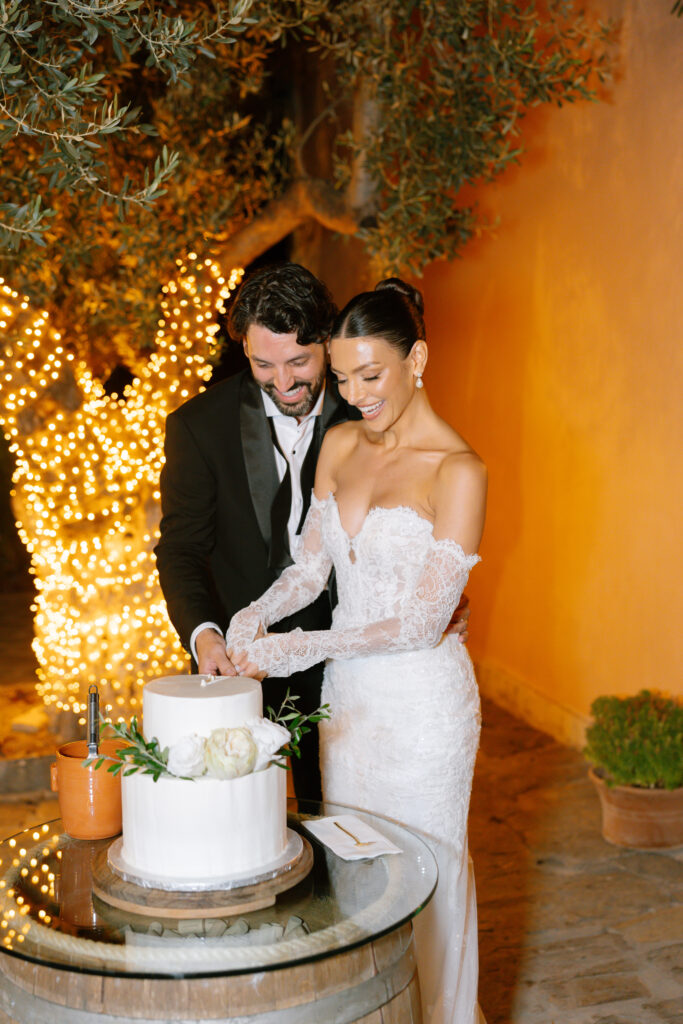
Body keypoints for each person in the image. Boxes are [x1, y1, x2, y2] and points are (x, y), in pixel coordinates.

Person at [227, 278, 487, 1024]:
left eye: (370, 375)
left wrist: (293, 648)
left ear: (418, 358)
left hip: (423, 708)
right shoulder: (340, 443)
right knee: (359, 868)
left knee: (426, 878)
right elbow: (310, 567)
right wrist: (253, 616)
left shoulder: (460, 472)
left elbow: (416, 623)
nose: (354, 393)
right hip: (351, 703)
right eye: (342, 377)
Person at [155, 263, 349, 801]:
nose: (283, 383)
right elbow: (181, 548)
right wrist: (204, 633)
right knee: (239, 816)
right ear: (244, 350)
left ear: (328, 343)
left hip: (344, 653)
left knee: (334, 815)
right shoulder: (198, 427)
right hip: (238, 662)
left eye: (298, 362)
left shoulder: (364, 414)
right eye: (264, 364)